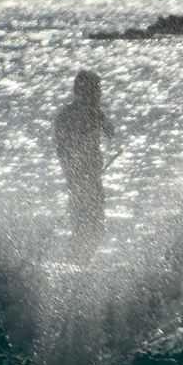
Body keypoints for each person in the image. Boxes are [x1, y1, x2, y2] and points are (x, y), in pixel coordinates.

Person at [55, 69, 114, 255]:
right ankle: (79, 257)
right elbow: (111, 133)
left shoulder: (65, 113)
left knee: (82, 222)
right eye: (97, 89)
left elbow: (61, 148)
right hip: (86, 180)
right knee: (93, 223)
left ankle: (76, 256)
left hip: (76, 179)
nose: (100, 94)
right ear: (87, 91)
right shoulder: (93, 113)